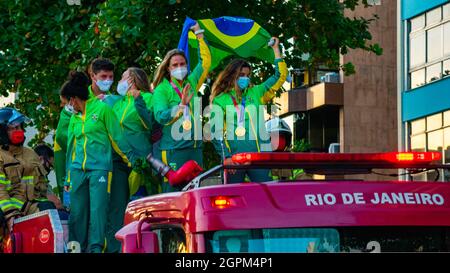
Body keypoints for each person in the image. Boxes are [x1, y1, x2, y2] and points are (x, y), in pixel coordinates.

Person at [61, 71, 138, 253]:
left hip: (100, 170)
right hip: (78, 171)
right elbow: (71, 150)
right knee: (77, 214)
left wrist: (132, 163)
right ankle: (75, 249)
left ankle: (96, 249)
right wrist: (68, 178)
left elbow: (117, 140)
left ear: (74, 99)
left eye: (66, 102)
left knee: (98, 213)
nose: (67, 106)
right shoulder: (74, 117)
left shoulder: (103, 110)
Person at [209, 37, 288, 183]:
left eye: (247, 75)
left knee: (265, 196)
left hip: (260, 158)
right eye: (241, 75)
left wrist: (276, 50)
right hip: (235, 159)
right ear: (232, 75)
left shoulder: (257, 92)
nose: (245, 78)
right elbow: (216, 132)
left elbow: (279, 76)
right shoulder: (220, 100)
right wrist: (226, 157)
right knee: (233, 199)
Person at [152, 22, 211, 192]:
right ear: (168, 69)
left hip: (194, 149)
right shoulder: (162, 89)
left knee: (196, 194)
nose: (180, 67)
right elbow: (161, 116)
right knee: (173, 195)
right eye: (175, 65)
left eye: (182, 64)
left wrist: (199, 34)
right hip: (173, 150)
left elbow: (205, 63)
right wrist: (181, 106)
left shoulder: (191, 82)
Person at [105, 67, 156, 253]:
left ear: (133, 80)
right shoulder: (118, 103)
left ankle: (142, 248)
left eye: (123, 77)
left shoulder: (148, 98)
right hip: (119, 162)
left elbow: (150, 123)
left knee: (139, 210)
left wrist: (138, 100)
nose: (120, 80)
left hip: (139, 163)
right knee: (117, 209)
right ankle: (116, 249)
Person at [0, 108, 55, 241]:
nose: (19, 131)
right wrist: (10, 214)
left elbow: (41, 186)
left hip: (29, 206)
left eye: (20, 127)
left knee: (50, 212)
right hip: (5, 209)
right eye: (13, 128)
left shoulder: (31, 154)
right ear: (2, 132)